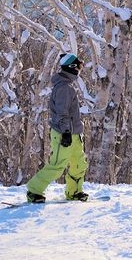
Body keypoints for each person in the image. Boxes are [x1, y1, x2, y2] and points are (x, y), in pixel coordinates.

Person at [25, 53, 89, 203]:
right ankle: (34, 191)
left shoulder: (67, 86)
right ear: (72, 67)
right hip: (64, 133)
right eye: (79, 66)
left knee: (79, 164)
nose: (80, 69)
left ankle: (74, 192)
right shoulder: (63, 88)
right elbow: (62, 112)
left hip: (74, 134)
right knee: (57, 165)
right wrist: (66, 131)